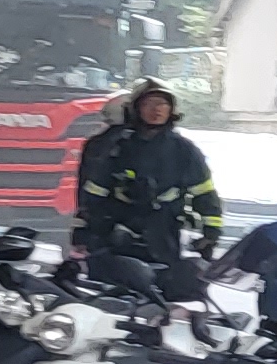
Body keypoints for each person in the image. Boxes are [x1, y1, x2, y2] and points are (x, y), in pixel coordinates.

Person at [75, 82, 222, 267]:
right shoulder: (118, 147)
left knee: (162, 287)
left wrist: (211, 234)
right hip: (116, 234)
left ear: (171, 110)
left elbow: (204, 193)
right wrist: (84, 232)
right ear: (137, 110)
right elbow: (94, 194)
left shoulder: (183, 150)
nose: (156, 110)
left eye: (162, 104)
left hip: (163, 234)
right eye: (149, 104)